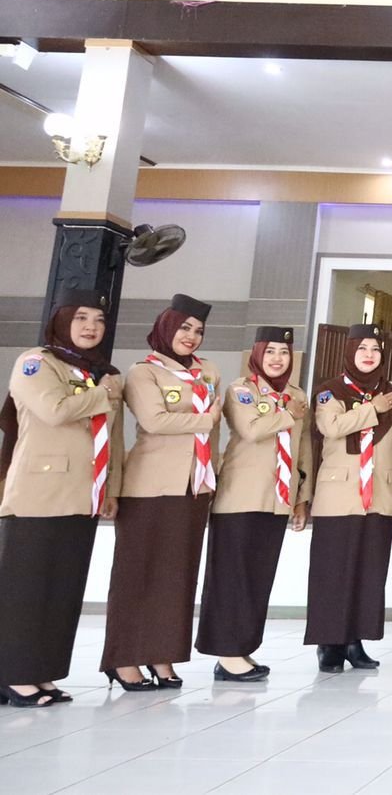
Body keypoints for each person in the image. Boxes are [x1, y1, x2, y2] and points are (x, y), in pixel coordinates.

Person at [0, 289, 123, 706]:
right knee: (27, 589)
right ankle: (14, 675)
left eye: (99, 320)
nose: (91, 327)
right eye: (81, 318)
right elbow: (53, 410)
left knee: (62, 591)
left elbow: (112, 437)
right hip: (40, 493)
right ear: (62, 320)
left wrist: (111, 487)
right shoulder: (37, 362)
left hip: (84, 493)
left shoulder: (98, 372)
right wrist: (101, 394)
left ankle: (43, 670)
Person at [102, 293, 222, 692]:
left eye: (199, 331)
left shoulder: (208, 372)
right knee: (138, 574)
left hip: (193, 485)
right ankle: (123, 658)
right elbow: (154, 421)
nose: (191, 336)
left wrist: (211, 468)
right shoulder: (144, 372)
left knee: (176, 578)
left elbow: (210, 432)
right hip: (150, 488)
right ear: (166, 327)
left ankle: (161, 654)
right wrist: (205, 419)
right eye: (185, 327)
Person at [196, 326, 311, 682]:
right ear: (257, 354)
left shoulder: (296, 394)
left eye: (284, 352)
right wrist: (289, 413)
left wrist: (301, 497)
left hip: (277, 498)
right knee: (232, 576)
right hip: (241, 497)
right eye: (271, 351)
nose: (278, 358)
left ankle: (241, 648)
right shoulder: (241, 390)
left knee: (258, 578)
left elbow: (303, 448)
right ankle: (227, 653)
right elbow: (252, 429)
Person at [304, 324, 392, 673]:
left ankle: (354, 640)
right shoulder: (329, 391)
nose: (369, 355)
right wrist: (372, 409)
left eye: (376, 349)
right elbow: (331, 427)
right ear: (350, 352)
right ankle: (329, 643)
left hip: (379, 494)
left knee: (369, 571)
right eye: (362, 348)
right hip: (339, 494)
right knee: (332, 570)